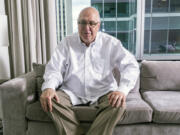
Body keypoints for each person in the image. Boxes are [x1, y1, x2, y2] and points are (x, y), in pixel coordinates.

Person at [40, 7, 139, 135]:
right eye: (83, 22)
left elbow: (131, 65)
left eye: (91, 23)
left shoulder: (111, 43)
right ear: (78, 24)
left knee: (119, 104)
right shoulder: (66, 43)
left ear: (98, 25)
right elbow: (54, 69)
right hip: (72, 92)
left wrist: (122, 90)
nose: (87, 28)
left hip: (103, 92)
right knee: (50, 99)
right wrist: (49, 87)